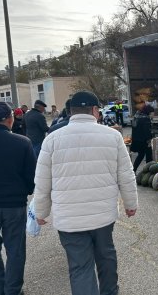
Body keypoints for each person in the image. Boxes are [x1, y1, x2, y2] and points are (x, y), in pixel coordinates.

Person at [34, 91, 138, 295]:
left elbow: (42, 181)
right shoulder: (113, 136)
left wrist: (41, 212)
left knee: (80, 267)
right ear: (94, 111)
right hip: (102, 215)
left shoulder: (52, 139)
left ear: (72, 111)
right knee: (106, 257)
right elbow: (126, 175)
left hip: (69, 219)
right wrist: (130, 204)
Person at [0, 102, 36, 295]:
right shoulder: (23, 142)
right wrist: (26, 191)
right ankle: (13, 290)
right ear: (10, 119)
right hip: (14, 205)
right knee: (15, 251)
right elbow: (31, 177)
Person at [131, 104, 154, 172]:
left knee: (140, 155)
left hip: (137, 140)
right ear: (148, 112)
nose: (152, 114)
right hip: (144, 141)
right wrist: (149, 141)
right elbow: (147, 131)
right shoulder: (146, 119)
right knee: (149, 156)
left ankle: (134, 170)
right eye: (152, 113)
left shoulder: (137, 116)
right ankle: (148, 171)